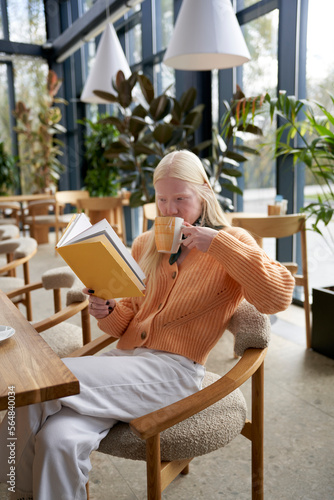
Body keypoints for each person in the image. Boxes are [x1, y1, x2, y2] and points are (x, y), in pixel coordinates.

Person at [0, 150, 295, 499]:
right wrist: (107, 308)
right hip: (122, 366)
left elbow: (277, 297)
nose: (169, 210)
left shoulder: (232, 243)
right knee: (57, 440)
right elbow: (124, 323)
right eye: (162, 200)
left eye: (180, 199)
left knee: (34, 385)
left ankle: (12, 491)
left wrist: (218, 244)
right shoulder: (144, 245)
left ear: (204, 190)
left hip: (174, 373)